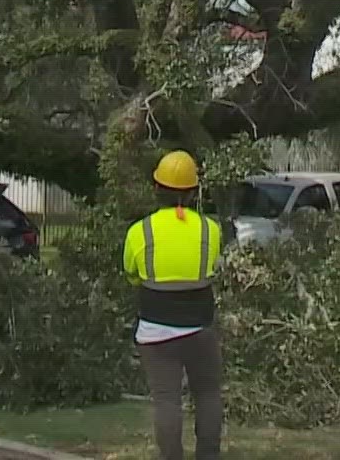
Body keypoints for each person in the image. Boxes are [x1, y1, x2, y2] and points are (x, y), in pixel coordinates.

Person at [123, 150, 224, 460]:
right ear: (193, 192)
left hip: (155, 330)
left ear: (157, 188)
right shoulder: (211, 230)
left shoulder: (140, 231)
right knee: (207, 394)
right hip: (201, 328)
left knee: (167, 400)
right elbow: (211, 268)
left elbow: (132, 275)